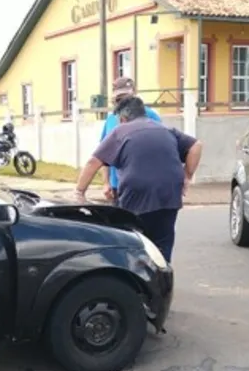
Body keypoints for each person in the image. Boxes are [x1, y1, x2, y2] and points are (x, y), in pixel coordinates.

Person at [73, 96, 202, 262]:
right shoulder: (164, 129)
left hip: (136, 196)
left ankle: (137, 274)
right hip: (169, 194)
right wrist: (187, 176)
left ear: (122, 118)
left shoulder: (120, 132)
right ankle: (162, 273)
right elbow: (196, 146)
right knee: (162, 245)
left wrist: (79, 192)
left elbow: (93, 162)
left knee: (132, 243)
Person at [101, 77, 163, 205]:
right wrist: (106, 183)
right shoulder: (111, 118)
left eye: (126, 96)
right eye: (120, 97)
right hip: (117, 185)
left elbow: (160, 146)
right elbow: (103, 154)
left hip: (145, 184)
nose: (123, 100)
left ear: (134, 94)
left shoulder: (149, 115)